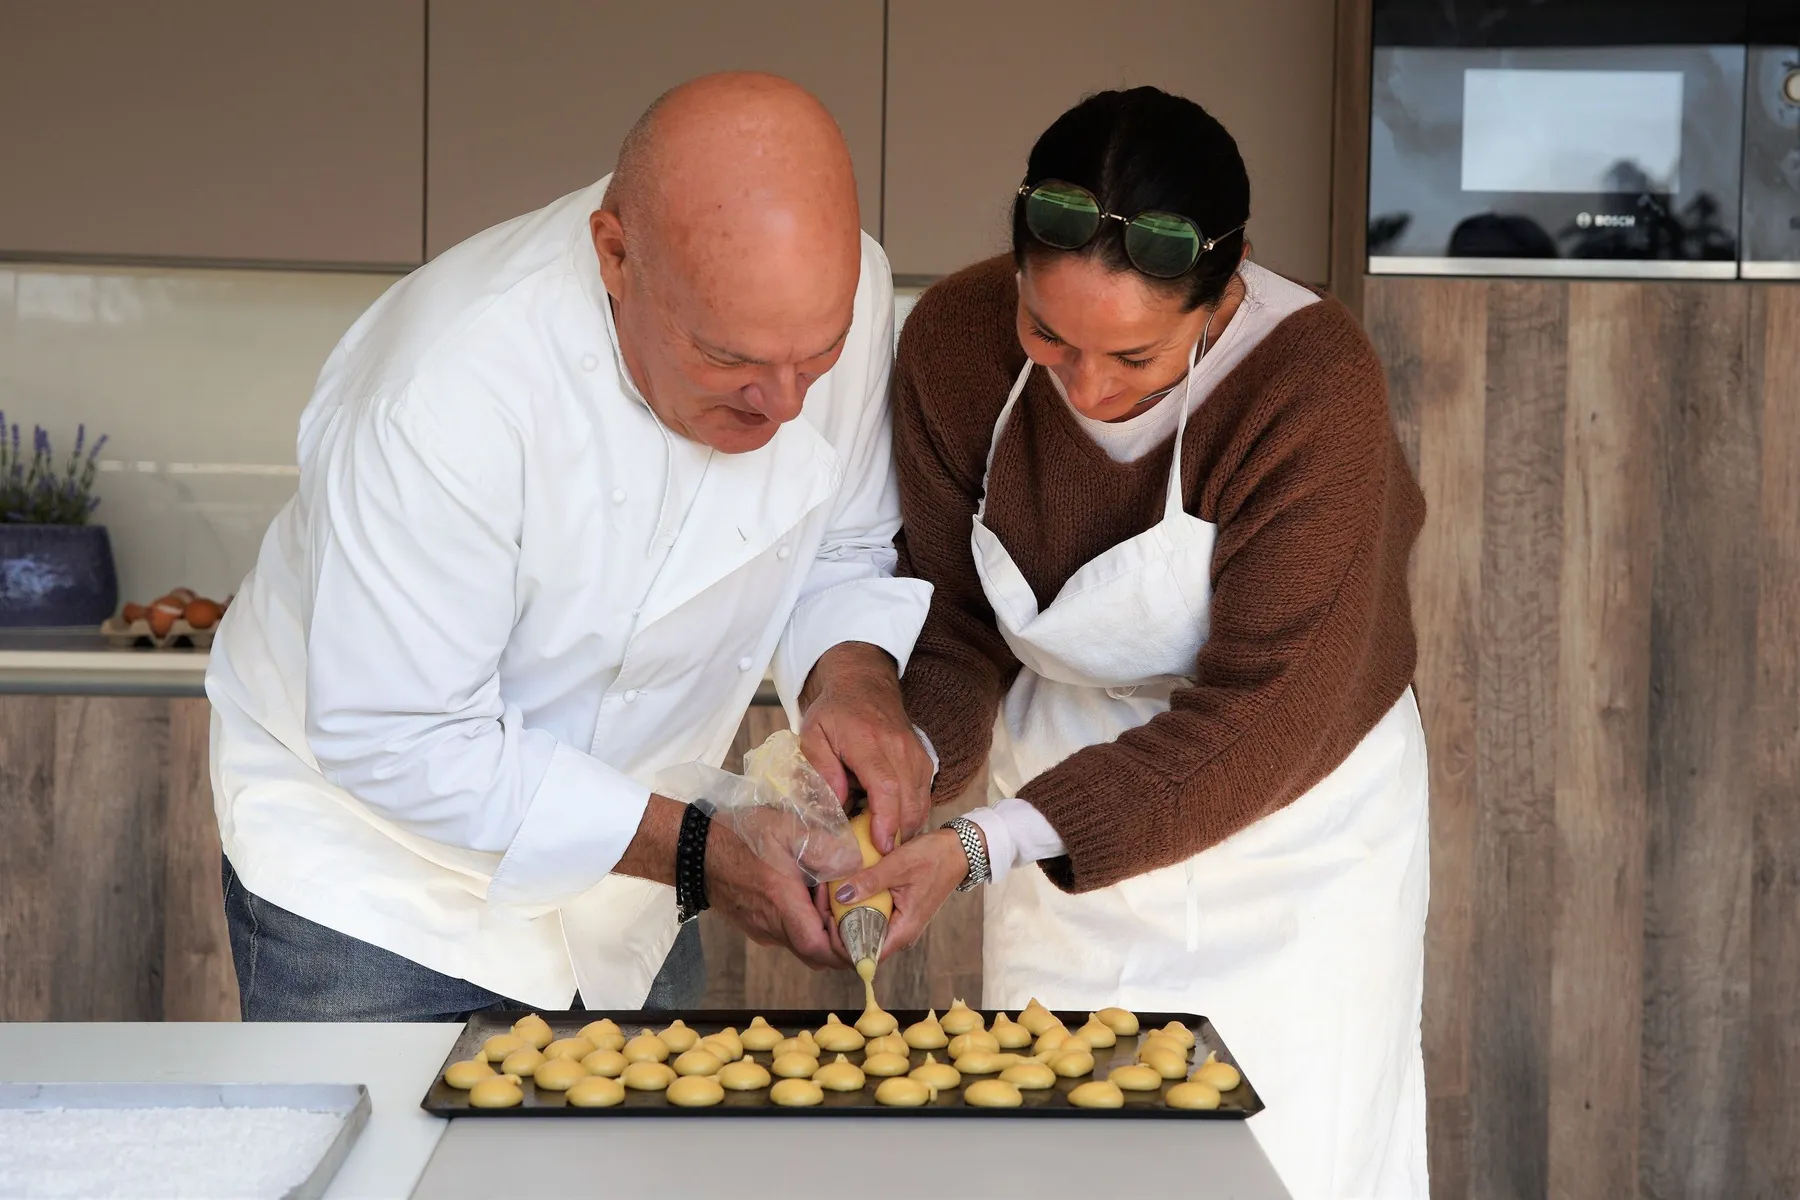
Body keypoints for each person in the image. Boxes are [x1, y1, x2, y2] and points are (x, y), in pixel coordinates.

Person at [206, 72, 935, 1022]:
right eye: (731, 361)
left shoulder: (849, 290)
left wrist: (855, 683)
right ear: (616, 254)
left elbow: (842, 542)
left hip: (629, 892)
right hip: (381, 892)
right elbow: (400, 735)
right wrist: (698, 852)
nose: (787, 403)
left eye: (820, 357)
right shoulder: (445, 393)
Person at [836, 88, 1429, 1198]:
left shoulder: (1312, 387)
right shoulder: (956, 346)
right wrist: (908, 765)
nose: (1091, 388)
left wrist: (981, 845)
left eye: (1136, 358)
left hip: (1294, 826)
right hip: (1059, 828)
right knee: (1065, 1153)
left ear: (1225, 287)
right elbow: (960, 621)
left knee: (1289, 1153)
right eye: (1048, 337)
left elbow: (1265, 710)